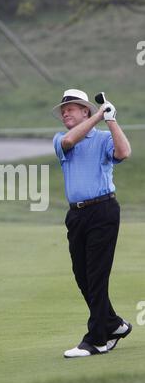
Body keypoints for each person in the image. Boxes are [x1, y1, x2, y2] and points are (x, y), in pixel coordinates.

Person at [52, 89, 132, 358]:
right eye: (63, 110)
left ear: (84, 110)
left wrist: (111, 119)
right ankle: (114, 324)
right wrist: (99, 115)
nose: (65, 113)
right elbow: (69, 141)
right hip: (76, 215)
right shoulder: (62, 140)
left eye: (71, 108)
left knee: (97, 275)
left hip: (103, 211)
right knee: (83, 275)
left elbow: (124, 152)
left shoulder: (103, 138)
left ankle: (97, 339)